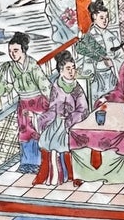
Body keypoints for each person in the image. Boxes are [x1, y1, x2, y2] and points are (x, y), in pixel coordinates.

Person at [0, 31, 49, 172]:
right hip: (23, 104)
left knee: (39, 131)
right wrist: (7, 87)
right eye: (10, 51)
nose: (12, 54)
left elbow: (44, 85)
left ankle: (42, 163)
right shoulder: (10, 68)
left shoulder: (32, 65)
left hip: (38, 102)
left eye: (16, 50)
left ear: (23, 50)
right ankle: (28, 164)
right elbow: (1, 88)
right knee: (25, 133)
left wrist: (53, 102)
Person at [33, 52, 88, 186]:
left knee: (61, 141)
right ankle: (48, 175)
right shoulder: (56, 86)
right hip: (56, 121)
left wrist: (70, 120)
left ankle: (71, 176)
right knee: (45, 139)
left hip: (72, 122)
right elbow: (52, 107)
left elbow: (83, 109)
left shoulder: (77, 88)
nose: (71, 71)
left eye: (73, 68)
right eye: (68, 69)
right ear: (61, 71)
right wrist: (43, 119)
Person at [74, 0, 118, 102]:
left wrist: (112, 63)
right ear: (94, 17)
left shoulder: (111, 36)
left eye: (106, 17)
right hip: (96, 79)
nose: (105, 20)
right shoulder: (88, 38)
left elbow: (120, 56)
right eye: (101, 17)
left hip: (112, 76)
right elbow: (83, 59)